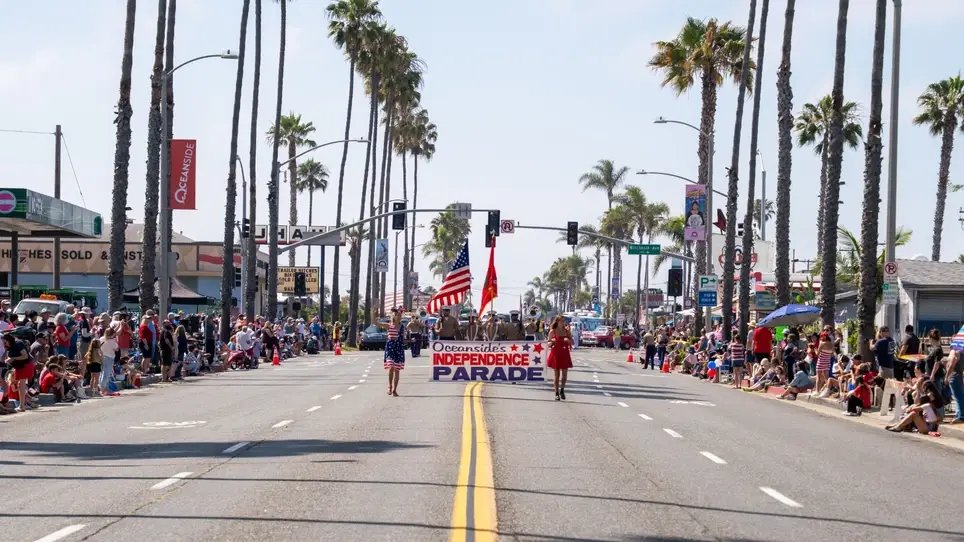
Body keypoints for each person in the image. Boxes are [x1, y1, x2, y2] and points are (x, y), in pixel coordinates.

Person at [379, 308, 405, 397]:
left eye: (400, 315)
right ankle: (390, 386)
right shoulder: (389, 325)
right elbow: (376, 323)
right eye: (397, 315)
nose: (399, 317)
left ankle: (395, 390)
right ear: (394, 316)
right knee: (391, 367)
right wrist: (373, 314)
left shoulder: (402, 327)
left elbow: (403, 339)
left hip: (399, 348)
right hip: (390, 347)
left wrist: (410, 340)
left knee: (397, 370)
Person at [546, 315, 573, 400]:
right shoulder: (552, 331)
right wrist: (551, 341)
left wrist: (568, 340)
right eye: (561, 321)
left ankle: (562, 390)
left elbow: (572, 342)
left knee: (564, 374)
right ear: (557, 322)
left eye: (563, 321)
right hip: (556, 353)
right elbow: (548, 342)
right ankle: (556, 393)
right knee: (556, 375)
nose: (563, 323)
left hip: (564, 353)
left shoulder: (566, 331)